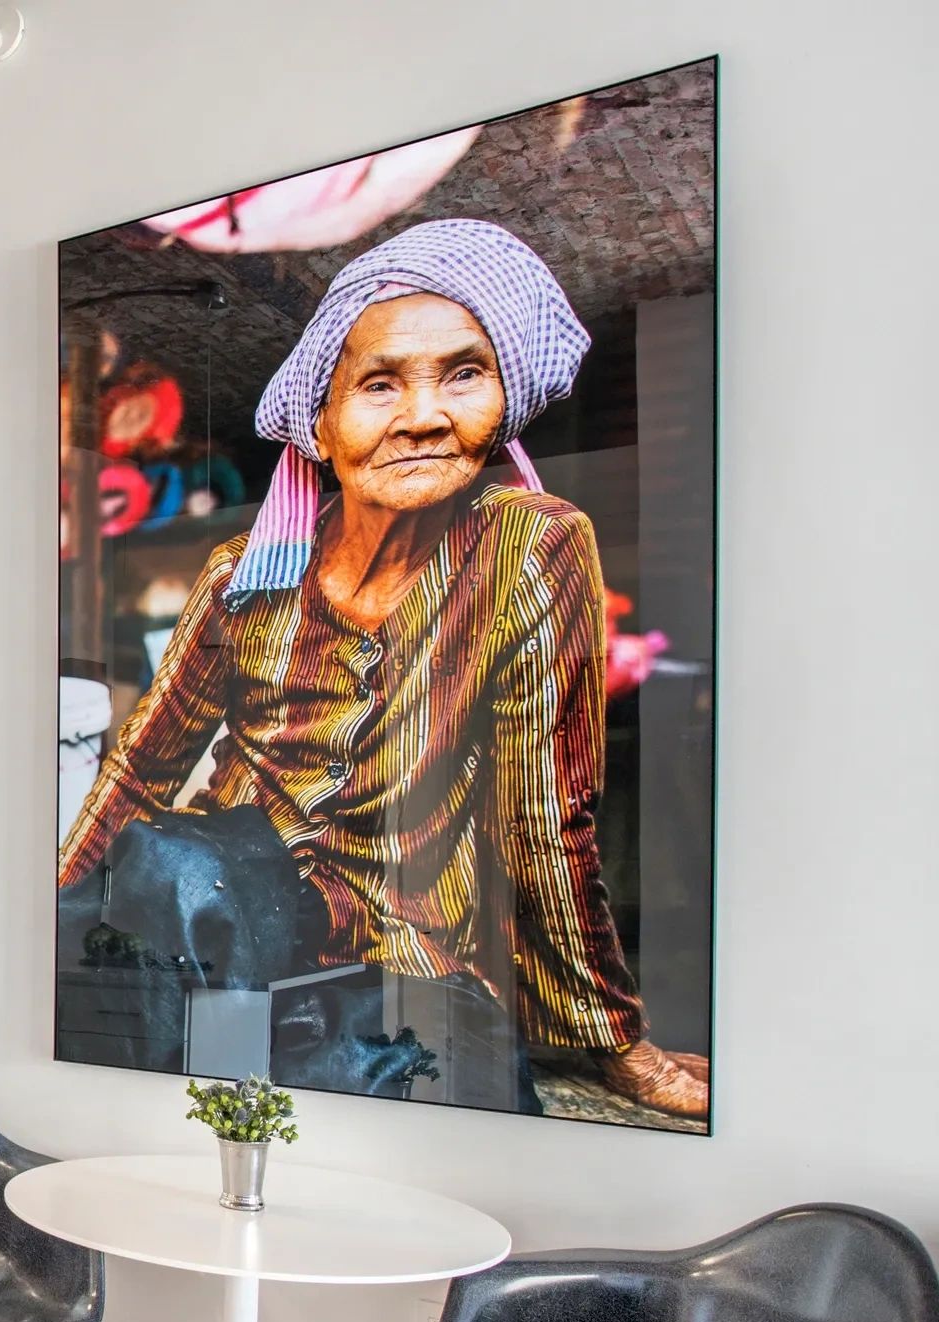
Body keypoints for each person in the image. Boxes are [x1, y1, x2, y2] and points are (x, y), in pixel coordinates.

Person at [57, 219, 707, 1119]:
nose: (425, 414)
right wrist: (55, 912)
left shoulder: (528, 547)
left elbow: (545, 817)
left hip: (398, 960)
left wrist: (604, 1035)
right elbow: (141, 767)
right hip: (219, 929)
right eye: (379, 384)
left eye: (464, 372)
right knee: (169, 880)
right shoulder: (246, 573)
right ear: (321, 425)